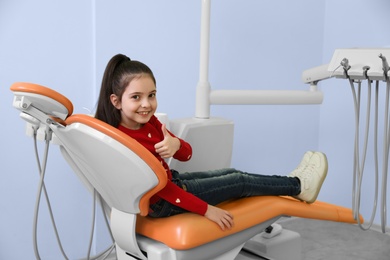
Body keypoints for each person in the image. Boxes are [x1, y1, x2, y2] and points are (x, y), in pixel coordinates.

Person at [95, 54, 328, 231]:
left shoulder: (151, 122)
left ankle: (293, 183)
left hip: (171, 183)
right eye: (136, 97)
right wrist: (207, 210)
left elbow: (187, 154)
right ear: (116, 101)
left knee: (232, 172)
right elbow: (163, 190)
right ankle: (298, 185)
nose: (146, 104)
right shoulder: (126, 141)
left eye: (152, 95)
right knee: (239, 182)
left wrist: (176, 146)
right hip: (164, 201)